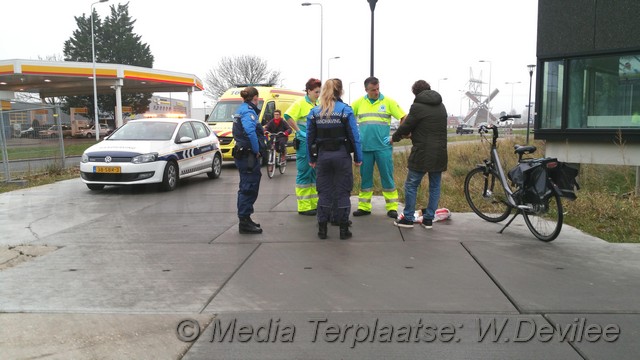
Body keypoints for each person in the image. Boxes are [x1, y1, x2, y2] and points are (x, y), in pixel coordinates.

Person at [307, 79, 362, 240]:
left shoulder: (315, 112)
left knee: (324, 191)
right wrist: (358, 158)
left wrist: (311, 158)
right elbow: (355, 137)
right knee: (343, 191)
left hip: (323, 156)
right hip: (342, 155)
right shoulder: (345, 111)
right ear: (340, 91)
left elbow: (309, 139)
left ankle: (322, 229)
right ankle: (344, 230)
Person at [391, 80, 448, 229]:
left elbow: (406, 126)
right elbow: (429, 127)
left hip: (422, 153)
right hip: (440, 153)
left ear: (416, 93)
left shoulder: (417, 107)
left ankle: (408, 218)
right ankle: (428, 219)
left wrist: (394, 138)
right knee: (435, 186)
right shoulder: (441, 107)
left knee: (411, 185)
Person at [351, 76, 407, 219]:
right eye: (373, 90)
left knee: (387, 177)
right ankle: (364, 207)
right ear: (366, 90)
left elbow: (404, 117)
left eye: (377, 89)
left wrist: (395, 136)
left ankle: (392, 207)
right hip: (365, 148)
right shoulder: (358, 103)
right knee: (365, 178)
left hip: (383, 148)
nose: (376, 92)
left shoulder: (388, 102)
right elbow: (348, 119)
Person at [284, 78, 322, 216]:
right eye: (316, 92)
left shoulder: (317, 104)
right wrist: (299, 131)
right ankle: (304, 206)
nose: (318, 94)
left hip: (314, 143)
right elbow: (287, 115)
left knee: (313, 174)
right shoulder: (300, 103)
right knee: (305, 173)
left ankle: (313, 204)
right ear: (309, 91)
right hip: (304, 143)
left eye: (319, 92)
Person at [232, 86, 267, 234]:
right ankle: (244, 221)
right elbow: (250, 131)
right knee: (249, 187)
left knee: (247, 186)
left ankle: (246, 218)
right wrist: (257, 149)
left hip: (244, 154)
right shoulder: (248, 112)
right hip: (248, 156)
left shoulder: (241, 109)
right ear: (255, 98)